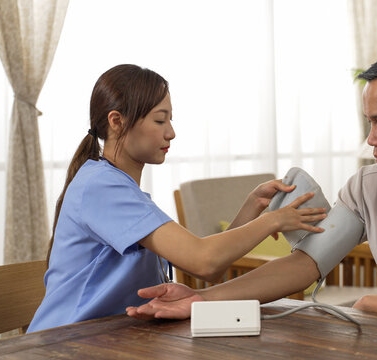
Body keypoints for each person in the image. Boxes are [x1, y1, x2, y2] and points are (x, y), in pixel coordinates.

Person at [127, 44, 377, 332]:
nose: (371, 139)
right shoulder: (369, 185)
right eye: (368, 122)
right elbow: (305, 266)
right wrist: (200, 301)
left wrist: (366, 304)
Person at [27, 64, 327, 333]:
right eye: (160, 121)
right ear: (117, 121)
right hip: (66, 341)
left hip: (112, 337)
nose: (170, 133)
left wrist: (252, 207)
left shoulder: (116, 186)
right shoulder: (101, 187)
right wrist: (273, 220)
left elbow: (211, 263)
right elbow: (204, 262)